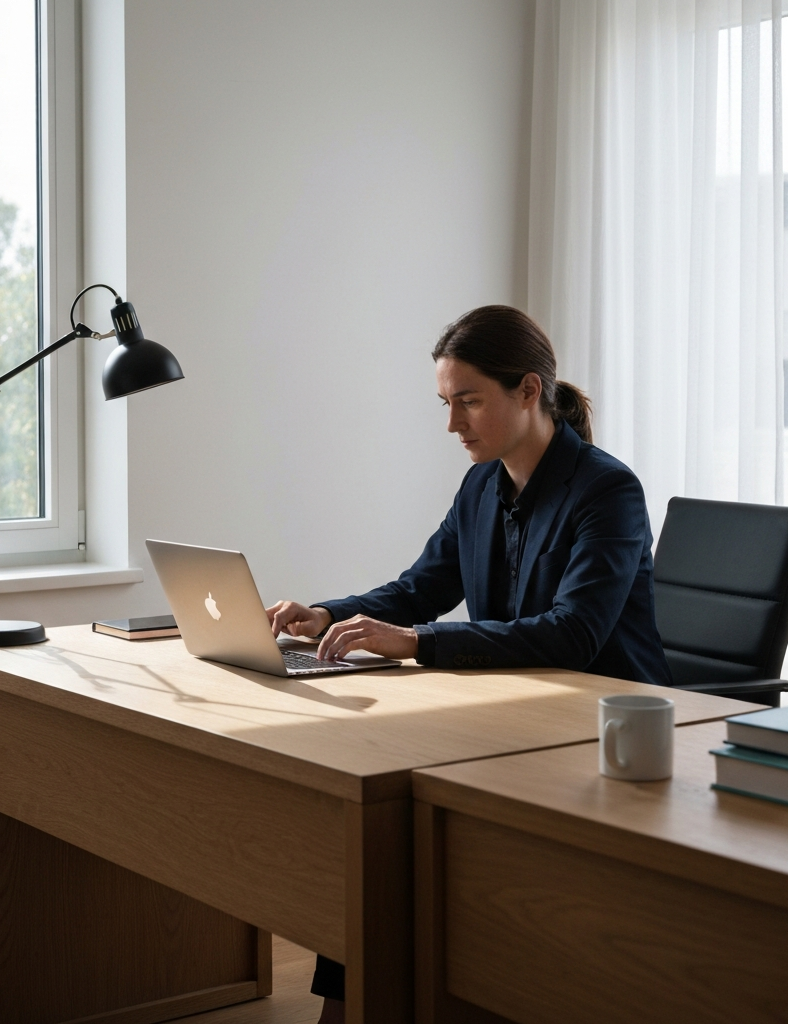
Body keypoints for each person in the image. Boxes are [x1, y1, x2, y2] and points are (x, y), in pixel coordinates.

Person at [266, 304, 672, 1024]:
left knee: (424, 837)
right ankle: (355, 1007)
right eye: (446, 403)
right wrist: (327, 614)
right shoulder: (482, 484)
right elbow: (421, 585)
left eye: (468, 401)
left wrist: (420, 644)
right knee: (382, 826)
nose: (453, 424)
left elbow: (574, 633)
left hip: (594, 731)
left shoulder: (606, 491)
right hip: (507, 717)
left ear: (527, 391)